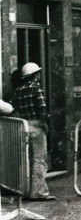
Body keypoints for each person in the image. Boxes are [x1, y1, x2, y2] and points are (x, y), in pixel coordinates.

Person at [10, 63, 55, 200]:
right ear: (35, 74)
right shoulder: (36, 89)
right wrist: (44, 123)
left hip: (23, 125)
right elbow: (42, 109)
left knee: (26, 159)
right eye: (38, 73)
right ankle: (38, 192)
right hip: (36, 125)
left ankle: (24, 191)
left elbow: (14, 108)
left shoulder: (18, 91)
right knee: (39, 159)